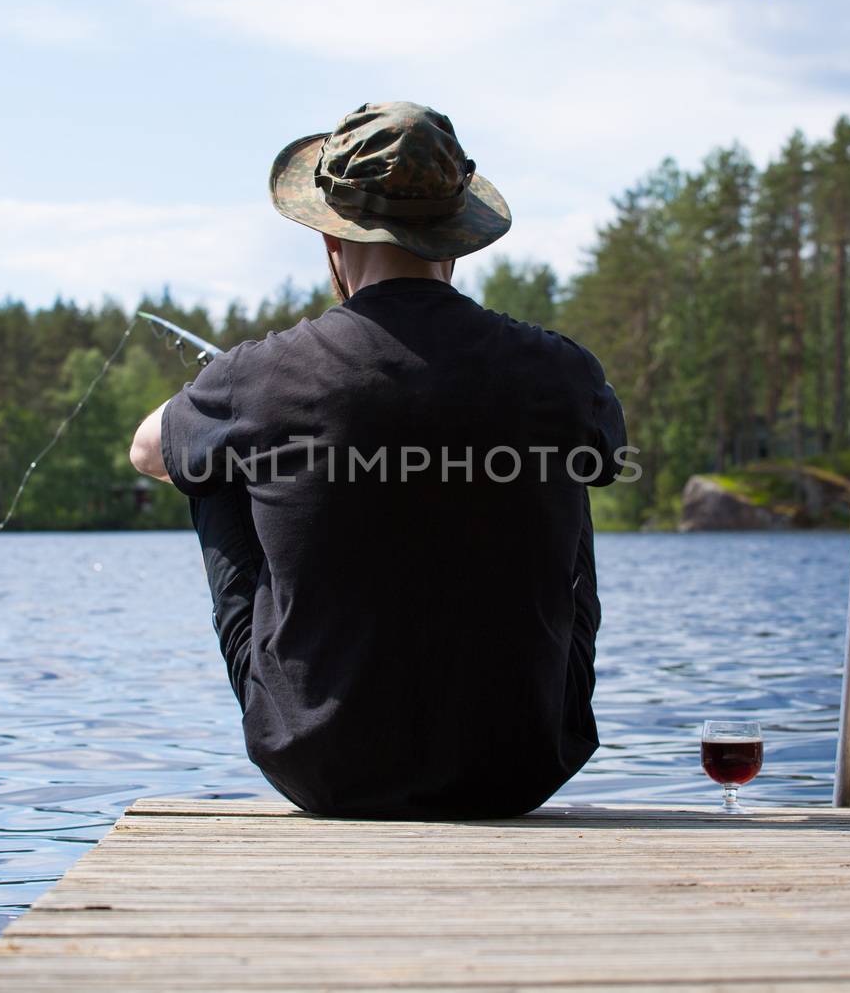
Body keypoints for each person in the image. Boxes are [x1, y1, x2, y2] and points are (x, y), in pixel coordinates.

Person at [128, 102, 628, 819]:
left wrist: (230, 412)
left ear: (333, 236)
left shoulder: (261, 376)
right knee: (571, 456)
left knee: (204, 465)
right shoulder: (561, 371)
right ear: (454, 240)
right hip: (523, 762)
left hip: (324, 765)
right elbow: (609, 455)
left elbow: (148, 449)